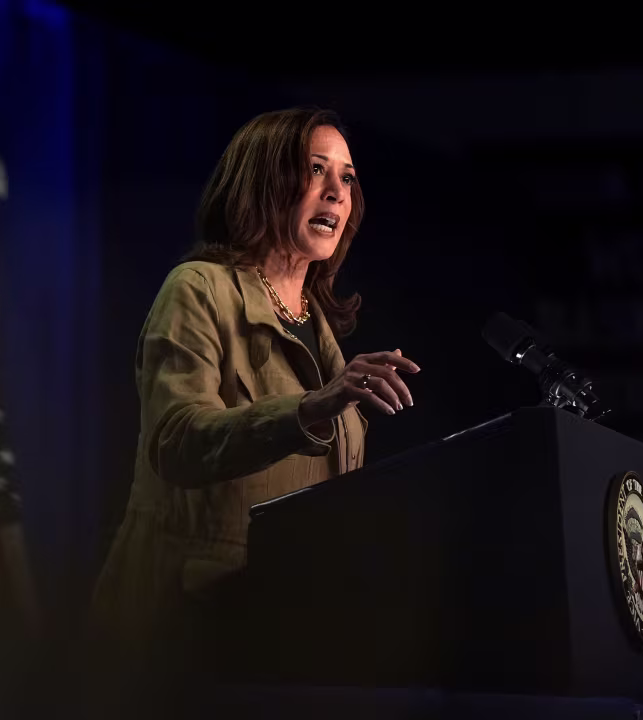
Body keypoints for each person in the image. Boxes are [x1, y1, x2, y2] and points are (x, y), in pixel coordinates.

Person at [91, 108, 421, 654]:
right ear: (265, 181)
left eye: (348, 177)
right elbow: (176, 443)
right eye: (316, 170)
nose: (337, 193)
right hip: (179, 634)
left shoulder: (321, 328)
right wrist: (310, 409)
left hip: (287, 628)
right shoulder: (199, 290)